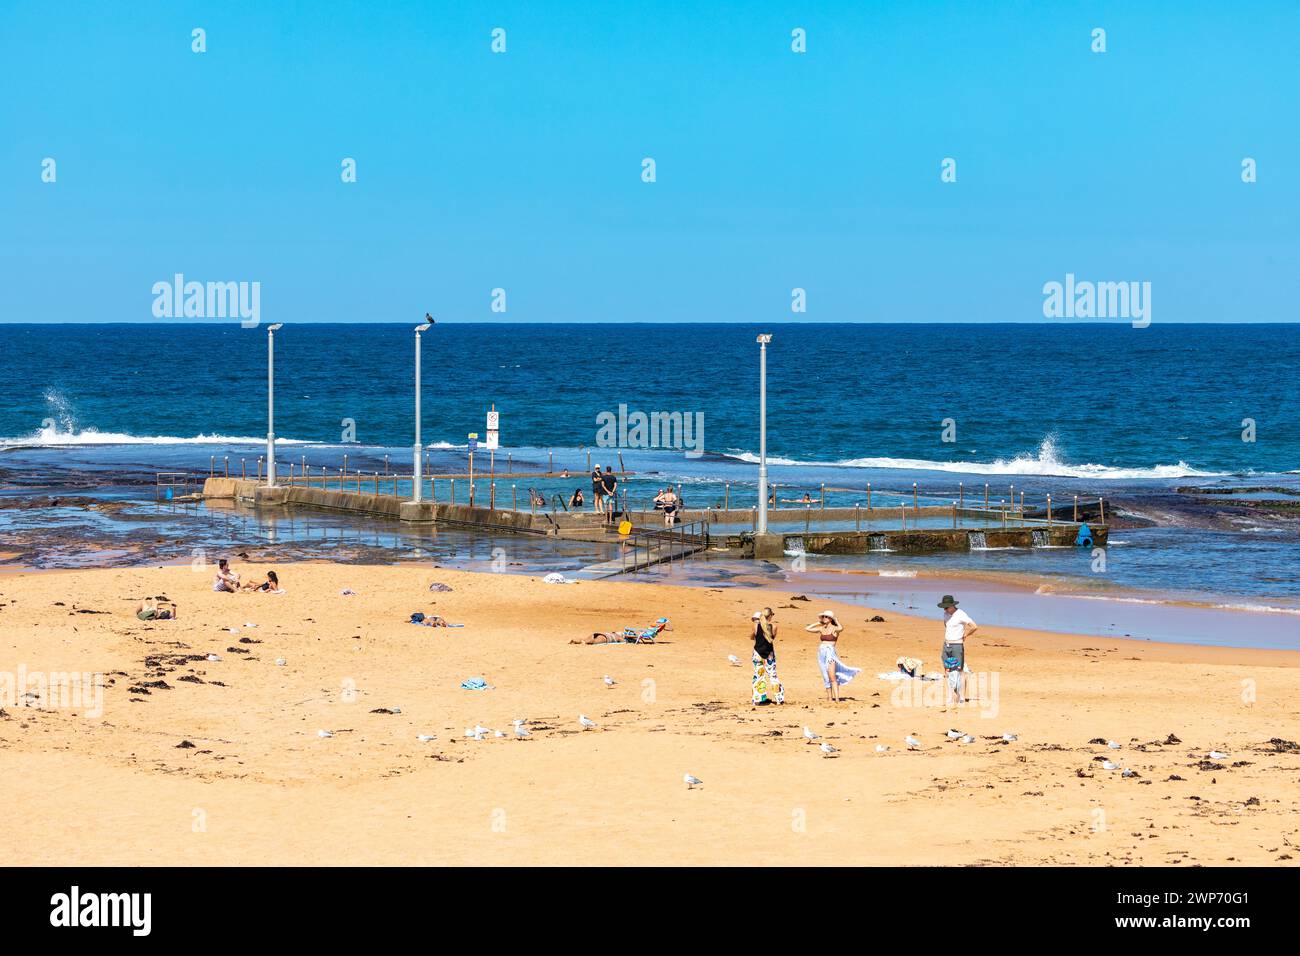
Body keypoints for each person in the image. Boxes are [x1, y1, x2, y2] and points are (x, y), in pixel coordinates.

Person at [805, 610, 860, 702]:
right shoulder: (821, 628)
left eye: (826, 617)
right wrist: (818, 622)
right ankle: (830, 698)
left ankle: (837, 699)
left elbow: (841, 628)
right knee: (825, 676)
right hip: (821, 652)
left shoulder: (835, 628)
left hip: (830, 653)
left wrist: (836, 620)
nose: (824, 618)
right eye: (823, 617)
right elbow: (807, 628)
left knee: (832, 676)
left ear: (830, 619)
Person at [938, 595, 977, 710]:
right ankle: (950, 697)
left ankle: (961, 697)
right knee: (947, 670)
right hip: (946, 645)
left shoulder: (961, 614)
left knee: (959, 671)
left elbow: (974, 626)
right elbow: (946, 626)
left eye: (946, 607)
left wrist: (965, 635)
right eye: (943, 607)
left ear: (952, 605)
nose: (944, 610)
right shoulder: (945, 614)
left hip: (957, 645)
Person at [751, 608, 784, 705]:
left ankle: (758, 699)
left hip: (757, 652)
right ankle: (779, 699)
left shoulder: (756, 625)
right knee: (773, 675)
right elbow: (771, 638)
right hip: (769, 653)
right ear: (770, 616)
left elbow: (753, 637)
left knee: (759, 676)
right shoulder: (774, 626)